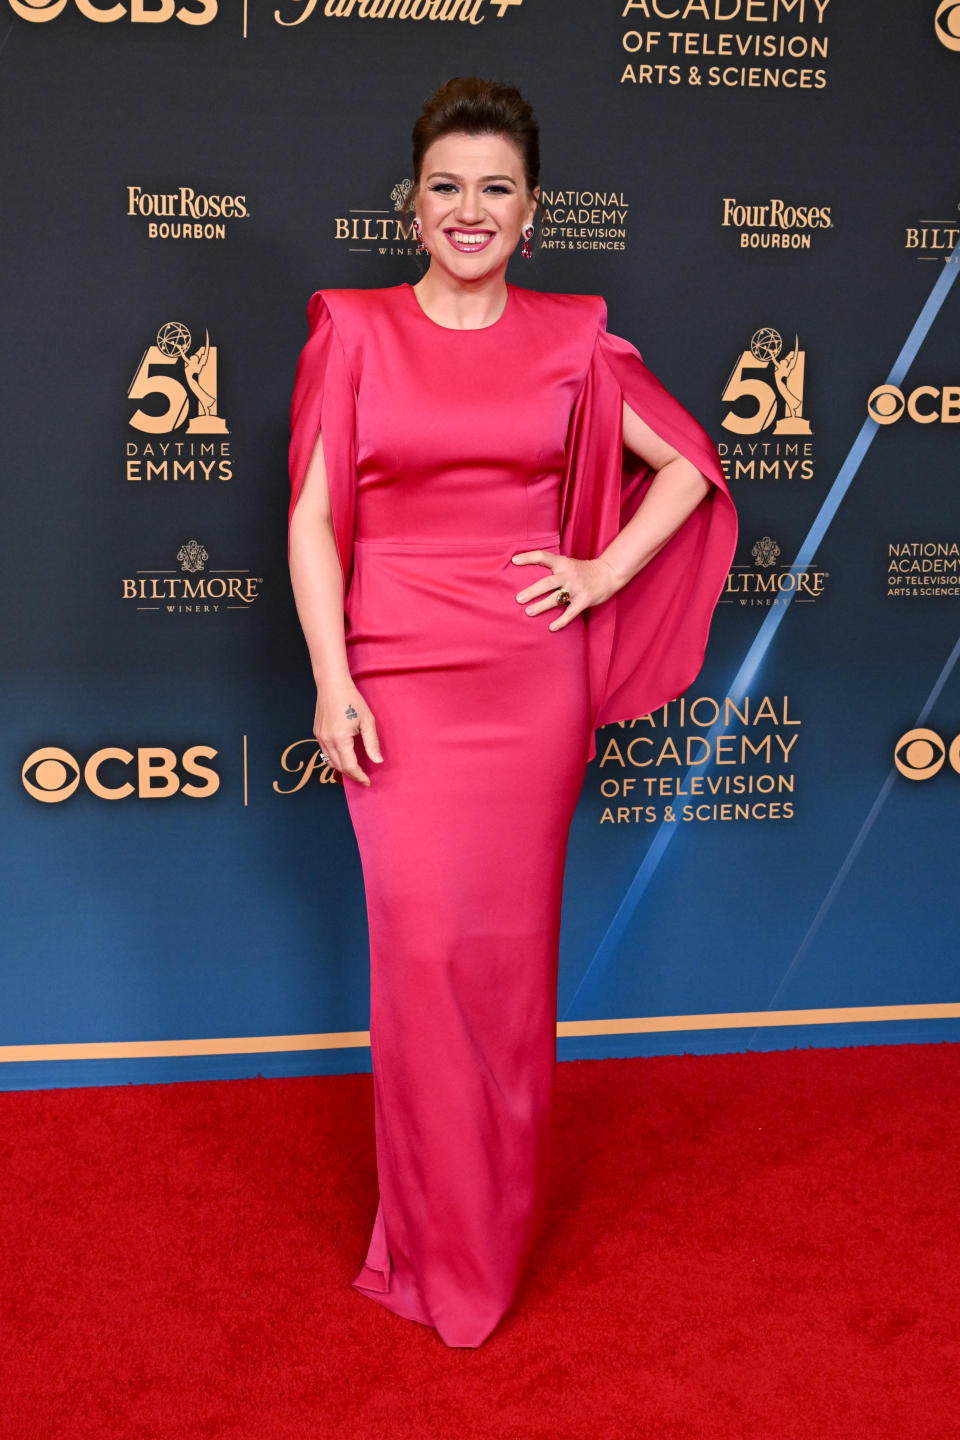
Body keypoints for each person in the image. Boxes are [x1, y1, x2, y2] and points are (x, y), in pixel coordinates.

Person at [287, 75, 737, 1349]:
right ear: (412, 205)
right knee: (420, 959)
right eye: (447, 187)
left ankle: (480, 1243)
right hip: (393, 678)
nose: (469, 210)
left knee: (500, 969)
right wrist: (332, 676)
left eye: (495, 189)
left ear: (532, 211)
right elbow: (314, 517)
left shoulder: (573, 335)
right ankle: (430, 1239)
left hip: (525, 686)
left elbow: (692, 470)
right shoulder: (354, 328)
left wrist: (596, 573)